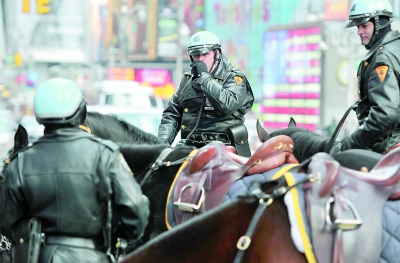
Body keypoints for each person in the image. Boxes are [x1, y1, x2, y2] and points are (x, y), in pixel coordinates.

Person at [0, 78, 149, 262]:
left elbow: (7, 221)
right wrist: (118, 238)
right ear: (81, 111)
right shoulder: (105, 155)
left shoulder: (21, 162)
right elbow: (136, 209)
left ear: (39, 116)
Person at [157, 31, 254, 156]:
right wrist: (163, 143)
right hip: (191, 148)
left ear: (217, 53)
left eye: (205, 54)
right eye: (196, 55)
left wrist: (204, 77)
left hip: (225, 150)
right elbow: (172, 113)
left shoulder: (234, 77)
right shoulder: (188, 79)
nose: (200, 59)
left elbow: (228, 104)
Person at [338, 0, 400, 154]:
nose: (359, 31)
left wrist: (351, 142)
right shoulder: (395, 47)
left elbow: (385, 115)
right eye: (358, 26)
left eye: (364, 26)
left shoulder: (382, 58)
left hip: (389, 147)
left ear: (380, 23)